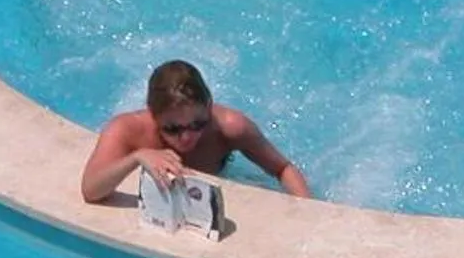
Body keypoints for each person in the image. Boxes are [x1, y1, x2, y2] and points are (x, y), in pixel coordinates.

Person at [80, 58, 312, 204]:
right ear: (152, 114)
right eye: (172, 129)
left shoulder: (230, 126)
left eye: (198, 124)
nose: (187, 137)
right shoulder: (127, 129)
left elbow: (283, 169)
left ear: (209, 106)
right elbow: (91, 190)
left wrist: (306, 213)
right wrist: (136, 157)